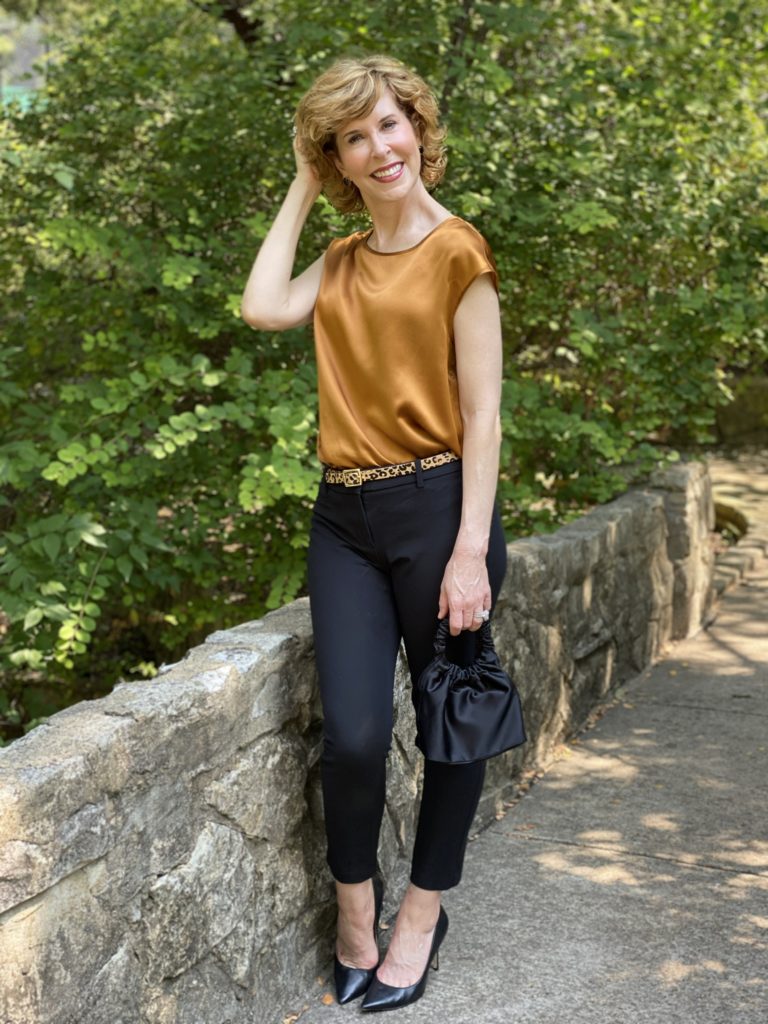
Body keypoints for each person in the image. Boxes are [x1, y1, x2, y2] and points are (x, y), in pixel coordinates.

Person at [240, 54, 507, 1013]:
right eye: (353, 137)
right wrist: (303, 186)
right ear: (338, 158)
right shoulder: (345, 259)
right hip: (343, 516)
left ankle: (420, 919)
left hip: (440, 512)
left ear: (418, 130)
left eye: (388, 125)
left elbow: (483, 417)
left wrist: (471, 549)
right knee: (353, 736)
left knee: (449, 729)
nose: (377, 147)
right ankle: (356, 912)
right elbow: (263, 306)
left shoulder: (459, 252)